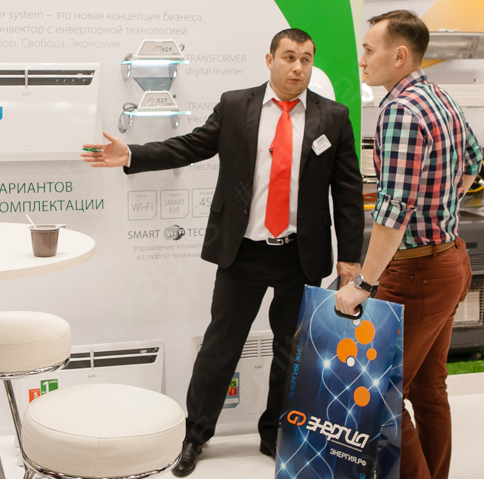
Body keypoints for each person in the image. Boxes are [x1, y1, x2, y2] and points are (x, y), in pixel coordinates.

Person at [83, 28, 364, 476]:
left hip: (301, 255)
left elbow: (347, 192)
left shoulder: (332, 116)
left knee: (292, 354)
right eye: (289, 57)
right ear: (269, 59)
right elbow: (190, 145)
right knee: (220, 348)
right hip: (244, 252)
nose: (297, 67)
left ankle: (276, 434)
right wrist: (132, 154)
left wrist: (350, 259)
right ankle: (195, 434)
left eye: (306, 59)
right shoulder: (237, 106)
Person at [336, 10, 482, 479]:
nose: (362, 59)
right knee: (429, 390)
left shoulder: (400, 110)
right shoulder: (440, 96)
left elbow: (393, 212)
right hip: (450, 260)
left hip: (418, 272)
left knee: (382, 395)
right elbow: (475, 164)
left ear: (399, 55)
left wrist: (363, 282)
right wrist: (440, 206)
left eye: (368, 49)